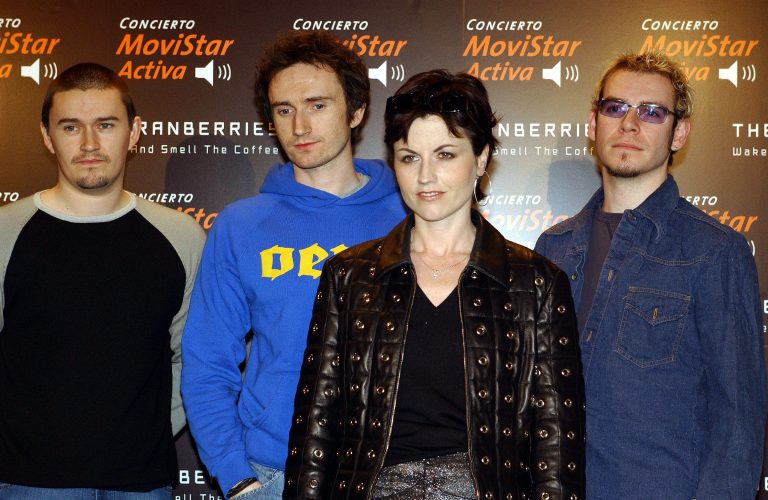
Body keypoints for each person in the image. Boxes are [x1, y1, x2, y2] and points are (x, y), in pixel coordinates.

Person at [283, 69, 585, 500]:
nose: (425, 176)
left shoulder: (536, 284)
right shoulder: (348, 276)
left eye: (445, 154)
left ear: (480, 159)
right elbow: (316, 427)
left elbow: (555, 445)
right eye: (410, 157)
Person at [180, 31, 405, 499]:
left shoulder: (410, 216)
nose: (300, 125)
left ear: (356, 112)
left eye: (317, 105)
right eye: (284, 110)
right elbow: (207, 363)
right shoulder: (241, 225)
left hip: (394, 473)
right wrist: (237, 479)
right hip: (274, 472)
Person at [535, 52, 766, 499]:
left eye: (652, 112)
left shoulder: (716, 252)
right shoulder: (553, 248)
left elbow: (737, 425)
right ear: (593, 123)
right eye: (615, 107)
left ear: (679, 133)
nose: (629, 124)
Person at [0, 63, 205, 498]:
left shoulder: (182, 236)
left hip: (144, 483)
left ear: (134, 133)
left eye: (106, 125)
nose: (89, 143)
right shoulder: (5, 233)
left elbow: (195, 358)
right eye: (70, 127)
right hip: (29, 482)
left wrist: (147, 431)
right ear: (46, 136)